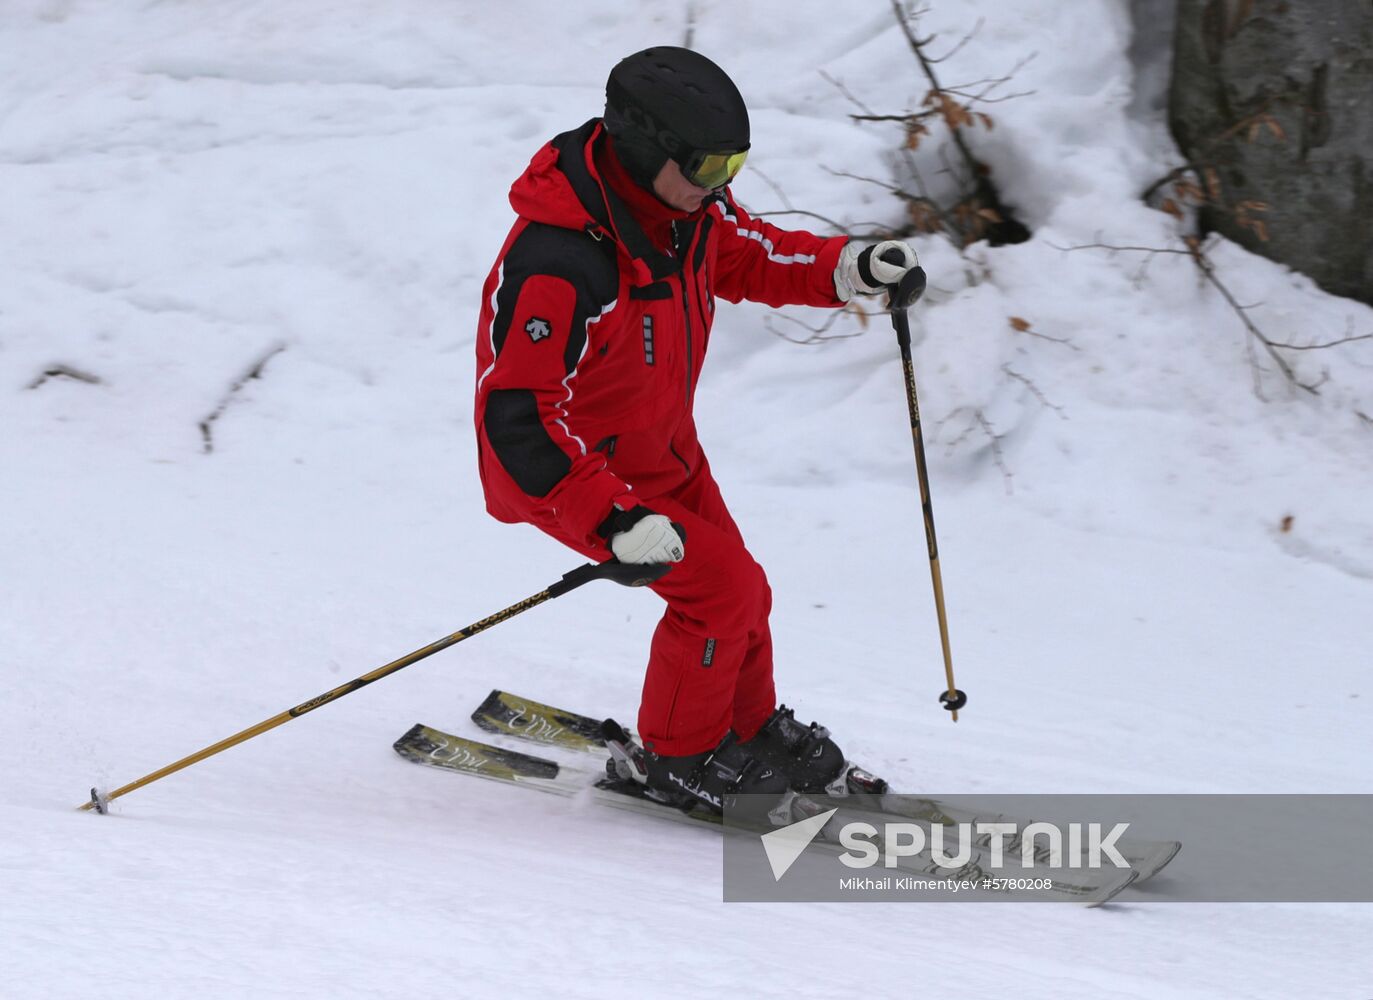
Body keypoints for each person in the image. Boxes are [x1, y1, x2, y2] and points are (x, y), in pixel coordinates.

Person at [473, 46, 919, 812]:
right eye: (710, 167)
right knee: (718, 593)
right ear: (646, 151)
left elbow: (747, 254)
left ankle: (743, 728)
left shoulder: (684, 211)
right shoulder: (562, 261)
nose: (724, 185)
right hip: (572, 474)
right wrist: (610, 518)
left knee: (744, 590)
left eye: (735, 164)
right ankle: (680, 759)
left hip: (662, 450)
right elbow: (513, 418)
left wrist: (845, 267)